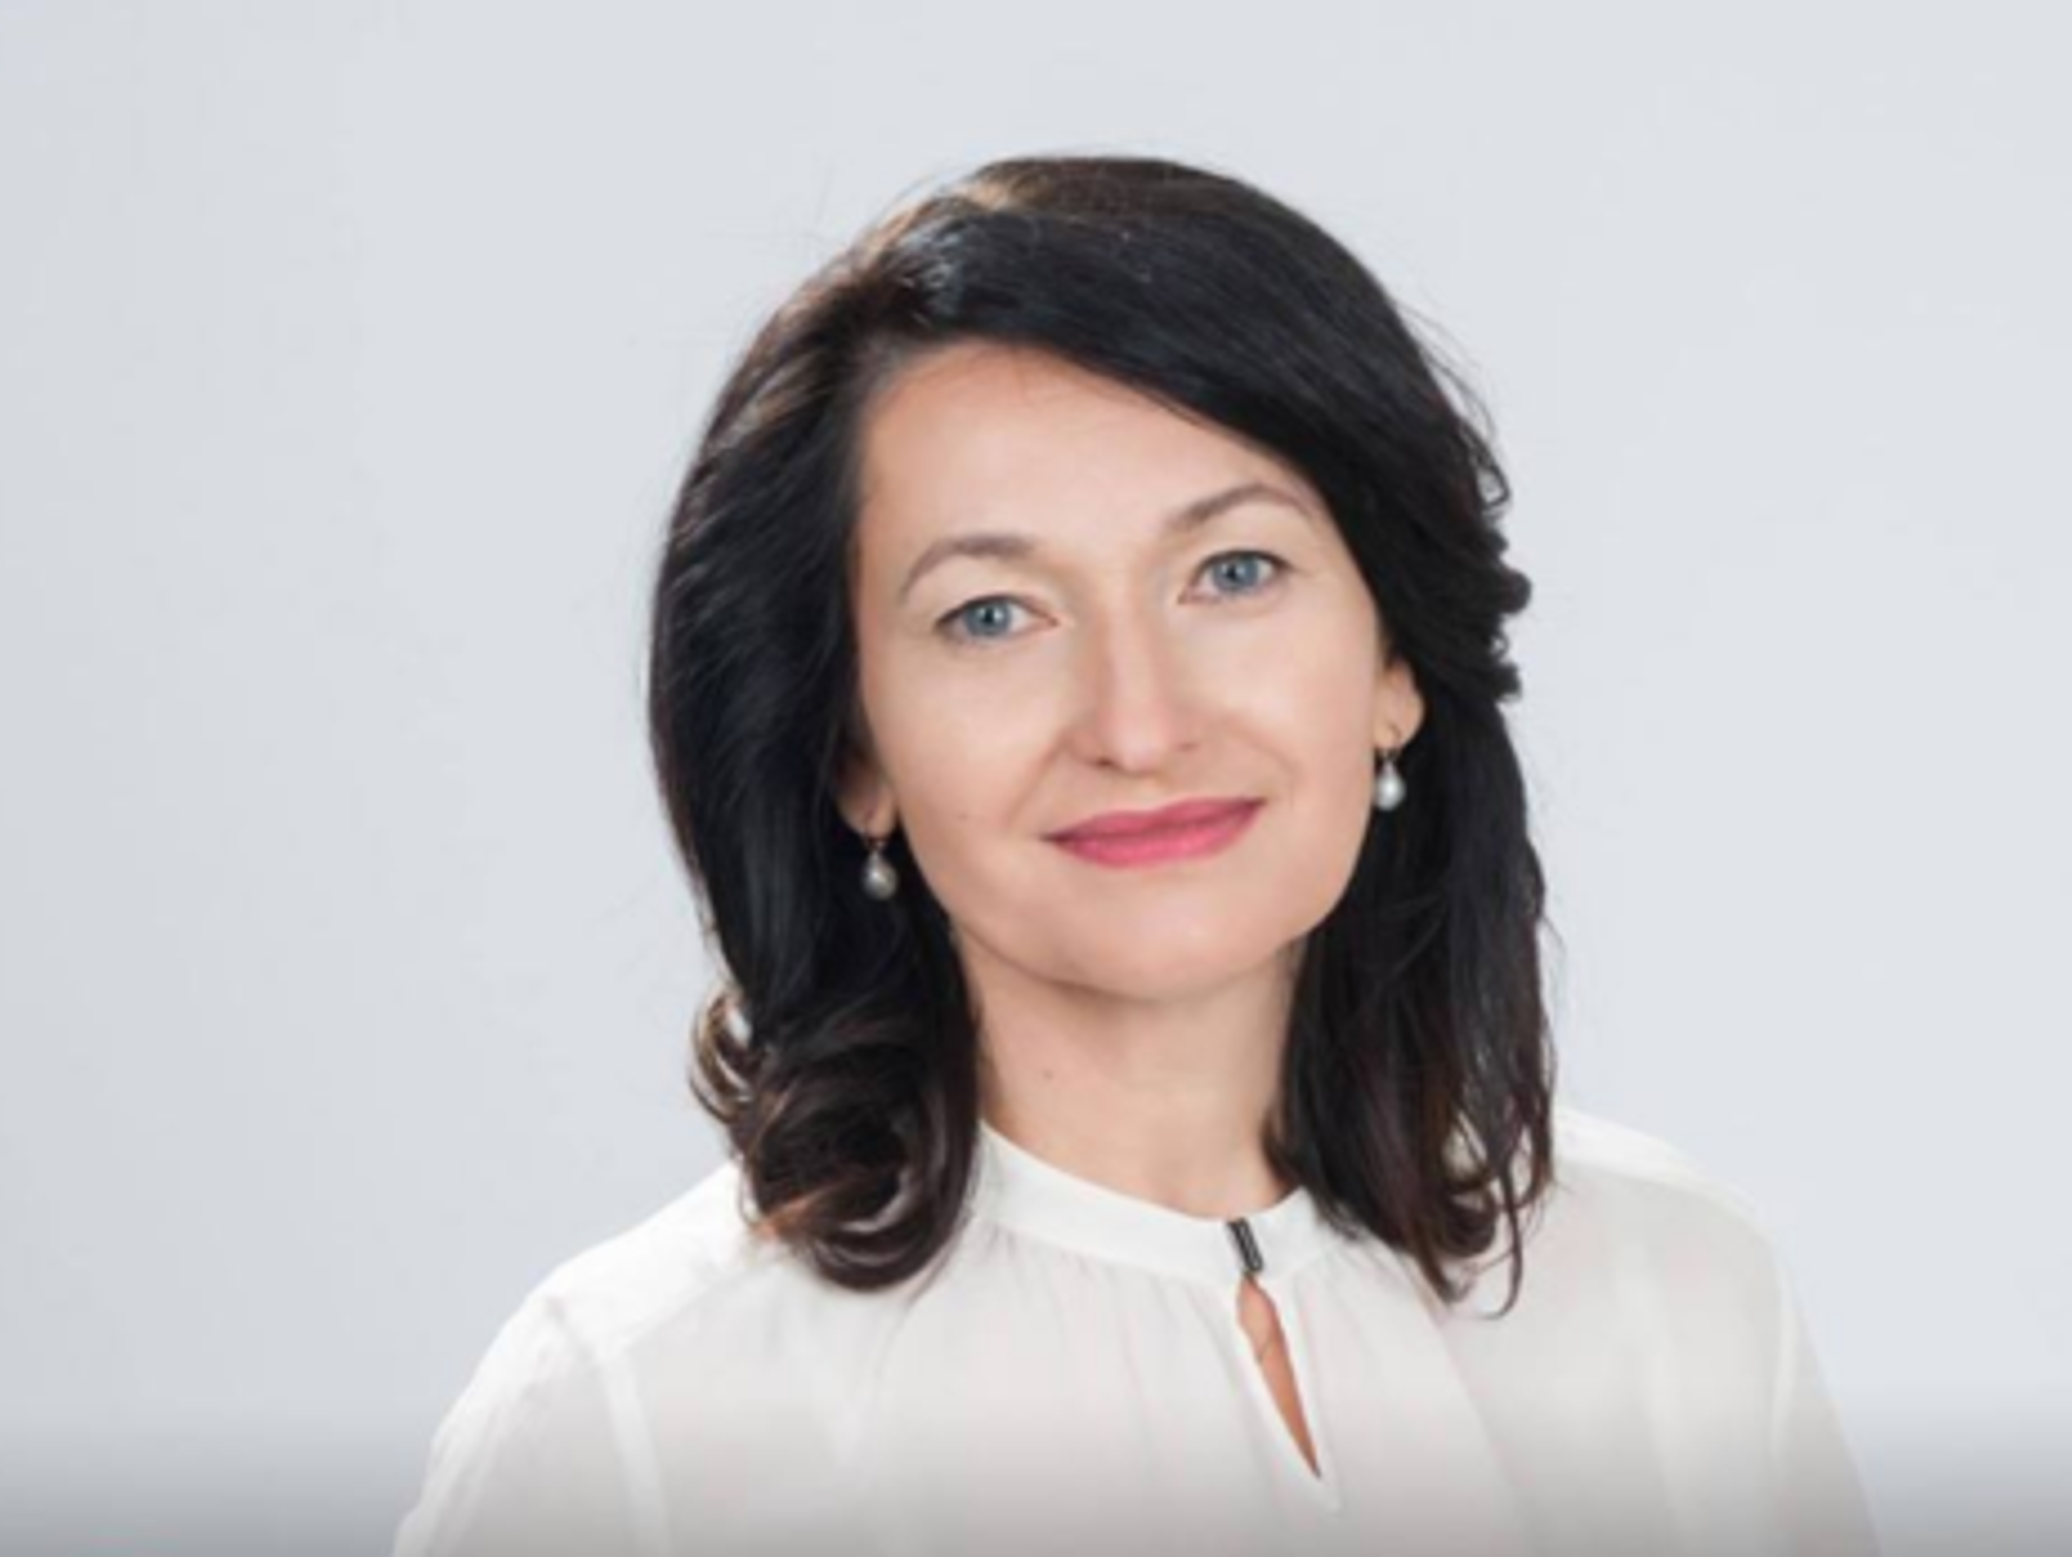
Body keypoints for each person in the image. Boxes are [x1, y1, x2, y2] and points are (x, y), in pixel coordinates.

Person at [389, 153, 1881, 1557]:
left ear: (1395, 664)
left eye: (1233, 572)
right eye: (992, 615)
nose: (1139, 724)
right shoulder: (635, 1420)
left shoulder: (1678, 1296)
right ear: (855, 747)